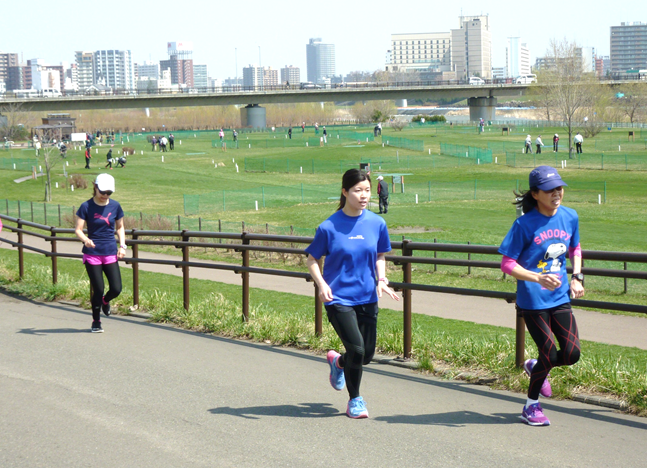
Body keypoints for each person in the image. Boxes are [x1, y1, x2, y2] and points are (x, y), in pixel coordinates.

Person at [305, 169, 400, 419]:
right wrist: (322, 284)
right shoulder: (329, 227)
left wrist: (382, 280)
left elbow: (380, 255)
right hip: (338, 298)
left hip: (367, 296)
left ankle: (338, 362)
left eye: (367, 190)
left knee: (366, 355)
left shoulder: (377, 223)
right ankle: (355, 400)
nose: (364, 195)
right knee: (357, 350)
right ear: (345, 192)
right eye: (358, 190)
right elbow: (312, 259)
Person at [499, 166, 584, 426]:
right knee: (549, 354)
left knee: (571, 354)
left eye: (559, 188)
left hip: (560, 297)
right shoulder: (523, 224)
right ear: (535, 194)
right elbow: (507, 264)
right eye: (549, 190)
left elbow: (575, 247)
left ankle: (536, 365)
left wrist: (577, 276)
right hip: (533, 300)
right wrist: (538, 278)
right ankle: (531, 406)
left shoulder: (570, 216)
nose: (556, 193)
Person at [75, 173, 126, 333]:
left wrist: (123, 246)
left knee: (116, 288)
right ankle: (96, 321)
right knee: (98, 289)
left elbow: (120, 227)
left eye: (109, 193)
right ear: (95, 187)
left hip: (110, 252)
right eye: (102, 192)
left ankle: (105, 301)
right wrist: (85, 240)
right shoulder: (86, 206)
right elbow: (78, 229)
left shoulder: (115, 206)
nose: (105, 195)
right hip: (92, 254)